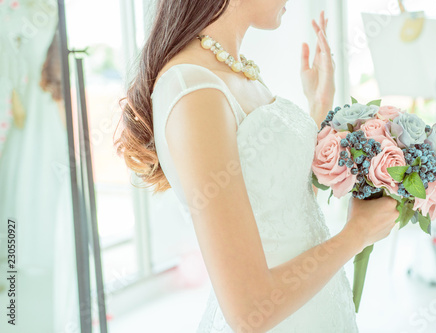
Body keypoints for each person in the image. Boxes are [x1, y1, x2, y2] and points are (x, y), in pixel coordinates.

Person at [115, 1, 399, 332]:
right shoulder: (194, 91)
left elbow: (281, 202)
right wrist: (357, 234)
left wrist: (319, 103)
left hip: (317, 307)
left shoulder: (235, 69)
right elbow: (249, 310)